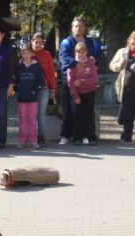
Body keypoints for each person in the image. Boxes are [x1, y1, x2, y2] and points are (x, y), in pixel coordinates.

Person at [58, 16, 103, 145]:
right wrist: (76, 64)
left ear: (85, 28)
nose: (78, 28)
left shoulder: (91, 42)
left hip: (87, 85)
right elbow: (63, 58)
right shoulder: (66, 42)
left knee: (87, 112)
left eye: (81, 26)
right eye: (76, 26)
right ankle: (65, 135)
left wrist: (95, 60)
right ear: (72, 28)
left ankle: (85, 136)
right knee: (69, 111)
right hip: (71, 81)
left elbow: (99, 55)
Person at [67, 42, 98, 146]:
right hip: (77, 94)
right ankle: (77, 138)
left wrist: (82, 81)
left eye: (83, 51)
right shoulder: (72, 65)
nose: (80, 54)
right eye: (78, 52)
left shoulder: (91, 63)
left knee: (89, 117)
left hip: (89, 93)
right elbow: (70, 82)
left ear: (86, 52)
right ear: (75, 52)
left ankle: (91, 138)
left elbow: (94, 79)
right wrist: (75, 96)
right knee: (77, 117)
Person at [15, 44, 44, 149]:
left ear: (32, 53)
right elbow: (15, 81)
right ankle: (22, 141)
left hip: (33, 99)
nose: (26, 55)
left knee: (32, 120)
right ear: (21, 54)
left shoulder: (36, 66)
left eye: (28, 52)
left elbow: (41, 82)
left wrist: (35, 91)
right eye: (23, 52)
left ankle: (33, 141)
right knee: (23, 120)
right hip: (22, 98)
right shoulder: (19, 66)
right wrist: (17, 90)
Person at [109, 31, 135, 143]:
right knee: (126, 114)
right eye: (133, 39)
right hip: (127, 87)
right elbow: (112, 66)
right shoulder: (123, 52)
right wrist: (121, 64)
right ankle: (126, 137)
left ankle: (126, 136)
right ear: (130, 40)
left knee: (129, 114)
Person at [31, 32, 56, 146]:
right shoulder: (27, 54)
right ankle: (32, 136)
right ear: (32, 42)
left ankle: (41, 136)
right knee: (32, 114)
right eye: (36, 42)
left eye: (41, 43)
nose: (38, 45)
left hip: (44, 88)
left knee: (41, 114)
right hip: (31, 89)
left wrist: (53, 90)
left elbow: (51, 73)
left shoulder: (47, 55)